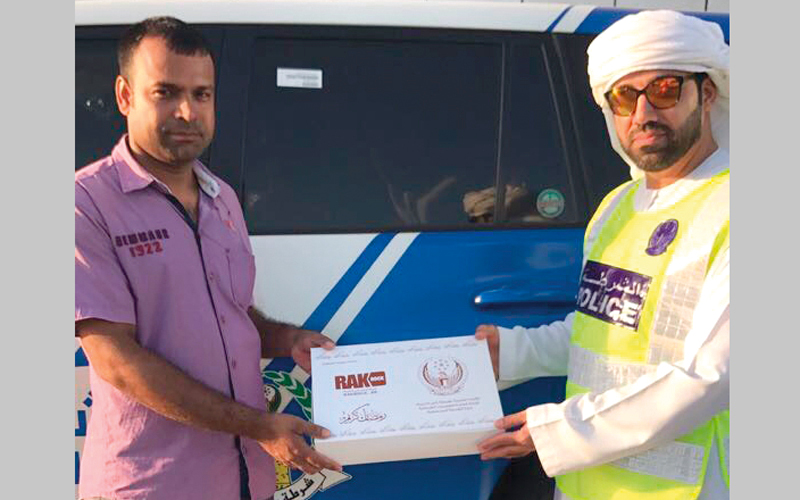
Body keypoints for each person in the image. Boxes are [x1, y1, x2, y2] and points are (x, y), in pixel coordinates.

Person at [75, 17, 341, 500]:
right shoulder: (86, 202)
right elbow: (116, 361)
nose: (187, 112)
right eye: (166, 92)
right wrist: (258, 426)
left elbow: (230, 312)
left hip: (243, 481)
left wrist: (288, 339)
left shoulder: (223, 199)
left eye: (202, 95)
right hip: (152, 485)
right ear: (125, 96)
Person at [476, 10, 729, 500]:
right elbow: (609, 329)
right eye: (624, 96)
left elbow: (714, 375)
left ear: (708, 92)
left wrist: (560, 432)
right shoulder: (618, 207)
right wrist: (514, 350)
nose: (643, 113)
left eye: (665, 90)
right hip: (590, 484)